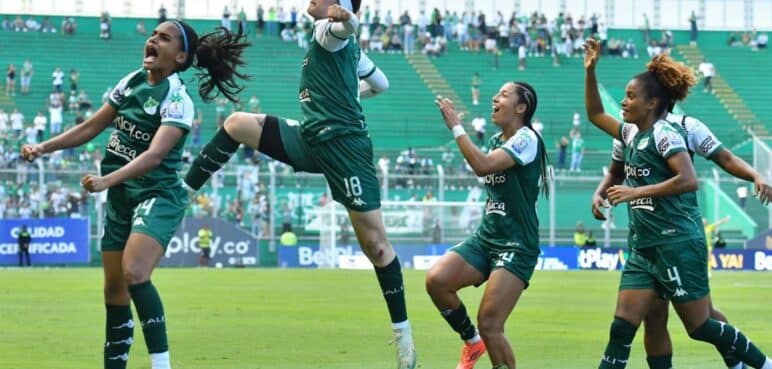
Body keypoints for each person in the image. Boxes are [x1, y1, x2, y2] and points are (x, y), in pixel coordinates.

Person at [181, 1, 415, 368]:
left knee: (377, 246)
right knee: (236, 124)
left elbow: (346, 29)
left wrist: (347, 19)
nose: (311, 1)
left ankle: (405, 342)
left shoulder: (328, 32)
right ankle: (182, 193)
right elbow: (380, 83)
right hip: (310, 138)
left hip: (344, 147)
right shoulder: (340, 45)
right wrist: (351, 90)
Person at [21, 20, 249, 369]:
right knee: (113, 292)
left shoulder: (177, 100)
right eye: (153, 34)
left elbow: (155, 156)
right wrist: (43, 147)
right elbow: (92, 126)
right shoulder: (132, 81)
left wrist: (107, 180)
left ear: (181, 56)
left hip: (157, 193)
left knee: (135, 273)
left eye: (164, 38)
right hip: (121, 194)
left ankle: (161, 364)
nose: (153, 39)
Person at [584, 38, 772, 369]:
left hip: (677, 241)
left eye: (630, 97)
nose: (624, 103)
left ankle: (761, 363)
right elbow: (597, 116)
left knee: (701, 325)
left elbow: (697, 174)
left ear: (653, 102)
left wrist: (634, 193)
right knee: (623, 327)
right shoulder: (628, 134)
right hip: (644, 247)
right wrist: (590, 72)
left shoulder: (672, 133)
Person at [428, 81, 549, 369]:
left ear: (521, 107)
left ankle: (484, 340)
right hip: (487, 237)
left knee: (491, 323)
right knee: (437, 280)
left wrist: (457, 127)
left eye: (504, 95)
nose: (495, 98)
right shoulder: (497, 140)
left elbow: (482, 165)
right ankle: (472, 343)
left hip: (516, 244)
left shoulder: (527, 139)